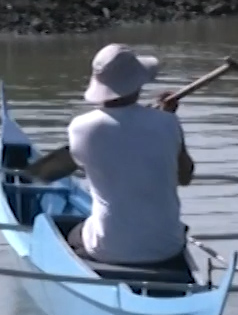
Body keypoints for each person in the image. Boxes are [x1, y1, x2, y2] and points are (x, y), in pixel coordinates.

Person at [64, 44, 194, 267]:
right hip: (167, 246)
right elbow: (185, 177)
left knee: (64, 231)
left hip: (109, 248)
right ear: (138, 83)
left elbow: (109, 152)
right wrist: (164, 118)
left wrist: (153, 118)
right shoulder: (168, 123)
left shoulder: (81, 127)